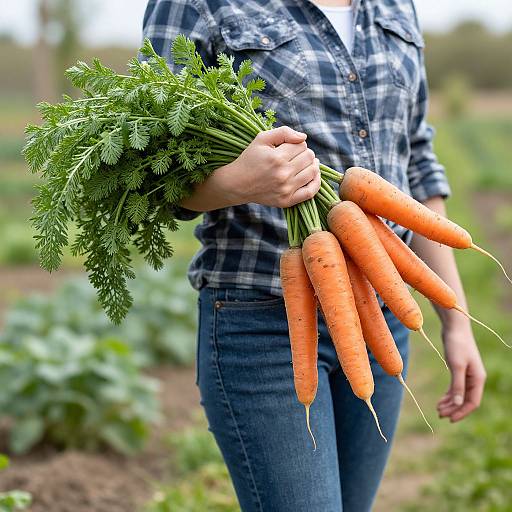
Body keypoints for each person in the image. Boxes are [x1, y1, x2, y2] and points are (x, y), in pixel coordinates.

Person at [142, 1, 487, 510]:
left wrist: (456, 320)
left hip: (378, 314)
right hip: (263, 323)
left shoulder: (394, 6)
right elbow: (153, 168)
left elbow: (414, 159)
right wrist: (239, 183)